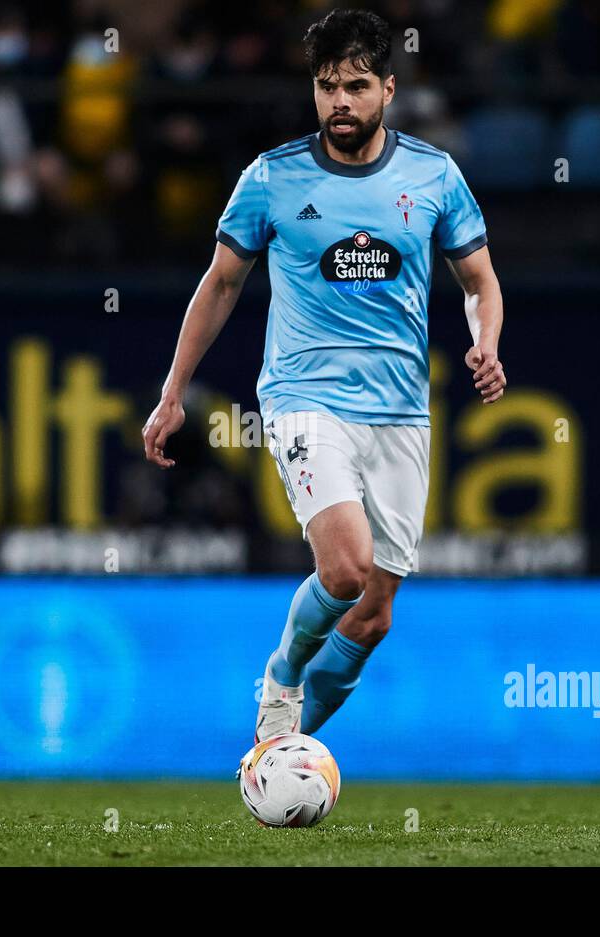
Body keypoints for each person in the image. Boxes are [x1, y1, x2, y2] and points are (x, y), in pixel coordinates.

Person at [141, 9, 506, 743]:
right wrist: (173, 390)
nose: (341, 102)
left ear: (389, 90)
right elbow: (219, 285)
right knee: (345, 570)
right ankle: (280, 677)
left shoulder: (434, 175)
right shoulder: (272, 178)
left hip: (401, 411)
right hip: (305, 400)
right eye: (327, 86)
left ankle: (282, 753)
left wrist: (486, 342)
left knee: (373, 614)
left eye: (357, 87)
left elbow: (479, 281)